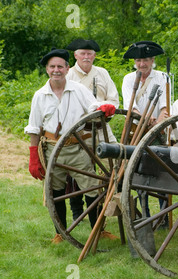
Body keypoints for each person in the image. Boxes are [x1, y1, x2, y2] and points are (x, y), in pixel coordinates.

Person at [25, 48, 116, 243]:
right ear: (47, 70)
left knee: (91, 188)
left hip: (77, 148)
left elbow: (92, 108)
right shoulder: (39, 95)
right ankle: (60, 233)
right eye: (52, 67)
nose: (56, 70)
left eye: (60, 66)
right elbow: (34, 128)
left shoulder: (78, 89)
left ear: (67, 68)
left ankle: (98, 230)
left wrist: (102, 108)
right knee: (55, 191)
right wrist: (34, 156)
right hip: (52, 150)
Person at [66, 39, 120, 227]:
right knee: (78, 171)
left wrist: (109, 108)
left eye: (90, 54)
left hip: (102, 128)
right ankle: (77, 210)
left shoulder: (102, 73)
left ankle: (109, 205)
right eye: (83, 53)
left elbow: (114, 98)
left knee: (115, 166)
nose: (87, 57)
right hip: (79, 131)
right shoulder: (69, 75)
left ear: (94, 56)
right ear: (76, 55)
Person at [122, 41, 170, 218]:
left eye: (146, 60)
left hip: (158, 129)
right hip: (137, 129)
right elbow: (130, 105)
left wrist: (157, 123)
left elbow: (165, 106)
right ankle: (145, 215)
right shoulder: (128, 79)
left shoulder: (163, 77)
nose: (142, 64)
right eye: (139, 60)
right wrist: (142, 120)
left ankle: (164, 215)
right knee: (139, 171)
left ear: (152, 60)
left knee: (162, 172)